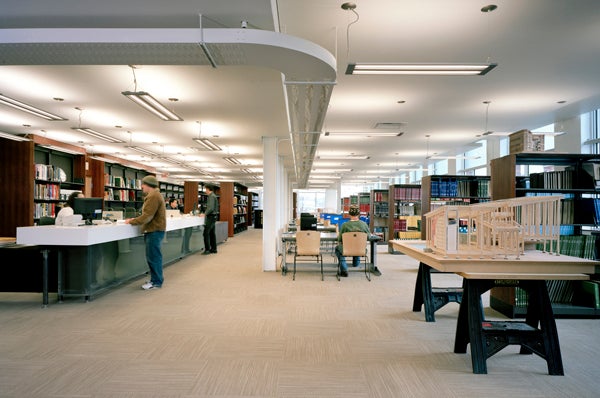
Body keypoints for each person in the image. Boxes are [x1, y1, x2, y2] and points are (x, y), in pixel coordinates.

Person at [125, 175, 166, 290]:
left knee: (153, 257)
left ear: (148, 185)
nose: (142, 187)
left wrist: (132, 221)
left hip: (153, 230)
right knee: (154, 256)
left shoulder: (153, 196)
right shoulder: (156, 195)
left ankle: (156, 282)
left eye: (143, 184)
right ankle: (155, 279)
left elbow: (147, 216)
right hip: (155, 229)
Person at [335, 206, 381, 277]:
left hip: (347, 249)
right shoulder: (364, 224)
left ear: (349, 214)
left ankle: (344, 270)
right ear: (359, 214)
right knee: (357, 245)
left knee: (337, 249)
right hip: (360, 249)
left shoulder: (344, 225)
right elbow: (369, 237)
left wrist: (338, 233)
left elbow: (340, 239)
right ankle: (356, 263)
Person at [201, 184, 219, 254]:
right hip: (213, 216)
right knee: (212, 233)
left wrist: (204, 214)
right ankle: (214, 249)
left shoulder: (211, 197)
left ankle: (207, 249)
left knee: (206, 233)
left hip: (211, 217)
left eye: (206, 189)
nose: (205, 191)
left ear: (208, 189)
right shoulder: (213, 196)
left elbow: (211, 208)